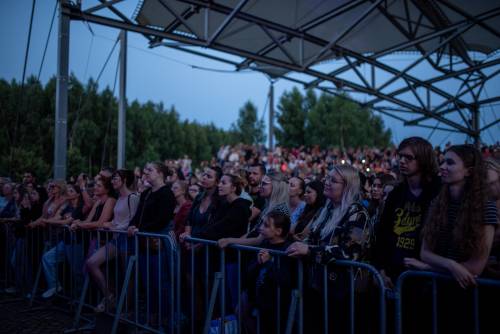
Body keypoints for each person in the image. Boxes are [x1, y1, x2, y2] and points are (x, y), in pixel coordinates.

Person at [409, 145, 498, 333]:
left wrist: (429, 268)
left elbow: (475, 267)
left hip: (468, 300)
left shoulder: (485, 208)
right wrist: (451, 265)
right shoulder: (437, 204)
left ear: (469, 171)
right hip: (436, 294)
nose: (442, 166)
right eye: (442, 161)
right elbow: (425, 253)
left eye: (450, 162)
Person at [286, 164, 371, 333]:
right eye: (327, 178)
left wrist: (309, 251)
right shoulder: (327, 209)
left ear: (347, 186)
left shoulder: (358, 213)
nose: (326, 182)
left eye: (333, 180)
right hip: (318, 287)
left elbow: (350, 252)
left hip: (344, 293)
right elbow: (312, 239)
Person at [372, 137, 440, 288]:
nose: (402, 161)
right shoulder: (397, 193)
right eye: (400, 156)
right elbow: (383, 233)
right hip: (393, 274)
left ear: (423, 160)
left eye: (408, 157)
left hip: (427, 278)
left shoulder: (439, 191)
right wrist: (381, 270)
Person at [85, 169, 139, 312]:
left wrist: (114, 226)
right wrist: (111, 224)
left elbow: (133, 221)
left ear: (125, 180)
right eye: (113, 179)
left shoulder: (133, 197)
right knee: (92, 263)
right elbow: (118, 219)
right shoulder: (120, 198)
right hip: (116, 238)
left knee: (128, 277)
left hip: (127, 240)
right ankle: (109, 296)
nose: (113, 181)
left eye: (116, 179)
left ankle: (126, 311)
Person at [243, 210, 295, 334]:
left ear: (278, 231)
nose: (261, 228)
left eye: (266, 225)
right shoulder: (264, 243)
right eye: (261, 224)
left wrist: (268, 263)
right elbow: (250, 271)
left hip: (277, 306)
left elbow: (285, 279)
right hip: (259, 300)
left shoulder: (288, 250)